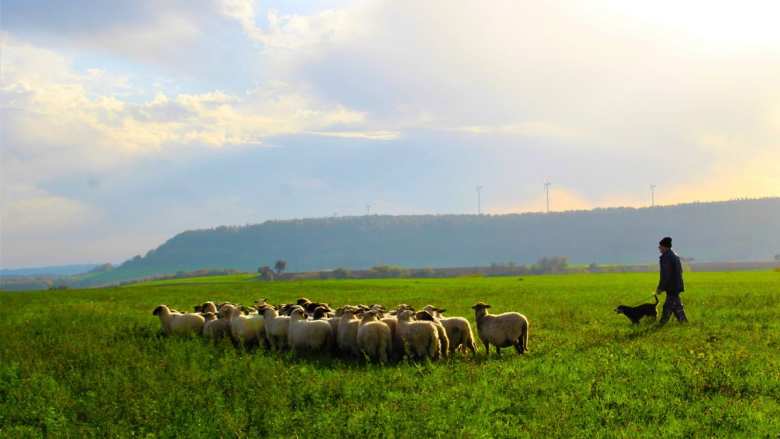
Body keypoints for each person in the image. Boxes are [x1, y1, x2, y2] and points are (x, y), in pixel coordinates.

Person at [656, 236, 688, 324]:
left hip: (672, 287)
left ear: (665, 247)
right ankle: (684, 323)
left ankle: (661, 324)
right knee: (677, 307)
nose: (659, 248)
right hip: (676, 286)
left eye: (660, 246)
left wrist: (660, 288)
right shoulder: (674, 255)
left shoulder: (666, 257)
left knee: (668, 306)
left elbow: (665, 275)